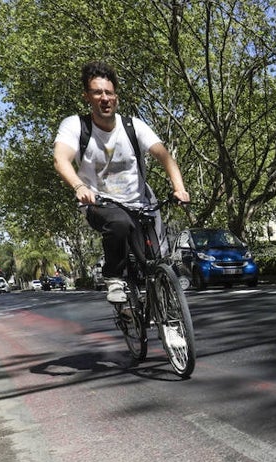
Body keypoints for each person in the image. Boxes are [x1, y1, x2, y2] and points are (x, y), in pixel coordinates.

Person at [53, 60, 189, 304]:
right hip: (100, 203)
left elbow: (164, 156)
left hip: (141, 203)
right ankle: (114, 277)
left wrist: (179, 188)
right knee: (119, 223)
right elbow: (61, 159)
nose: (104, 98)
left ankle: (168, 320)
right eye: (97, 93)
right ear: (87, 97)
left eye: (108, 92)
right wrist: (79, 186)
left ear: (116, 97)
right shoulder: (75, 126)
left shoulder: (133, 126)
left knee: (156, 266)